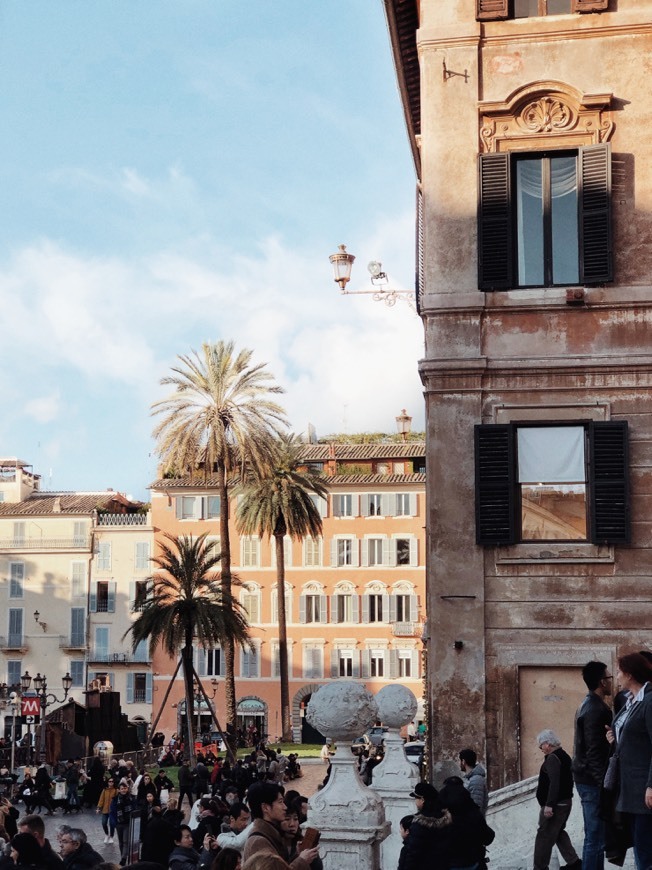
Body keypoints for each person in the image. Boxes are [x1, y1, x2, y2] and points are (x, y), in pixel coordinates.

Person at [606, 651, 652, 870]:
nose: (617, 675)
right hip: (630, 790)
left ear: (631, 675)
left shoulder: (649, 701)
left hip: (644, 790)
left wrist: (651, 785)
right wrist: (616, 737)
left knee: (645, 853)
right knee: (640, 849)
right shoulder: (631, 701)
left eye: (619, 671)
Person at [572, 659, 613, 870]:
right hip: (591, 780)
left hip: (585, 777)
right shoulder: (595, 708)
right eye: (609, 677)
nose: (612, 682)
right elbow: (594, 752)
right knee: (595, 837)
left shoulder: (586, 705)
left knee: (594, 836)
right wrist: (603, 785)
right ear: (602, 682)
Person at [533, 729, 581, 870]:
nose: (540, 748)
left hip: (556, 805)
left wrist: (549, 805)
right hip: (564, 802)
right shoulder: (564, 755)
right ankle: (574, 863)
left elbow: (554, 783)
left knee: (543, 837)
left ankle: (540, 867)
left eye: (541, 745)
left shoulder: (553, 758)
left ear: (548, 744)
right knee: (558, 832)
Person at [242, 783, 317, 870]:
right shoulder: (258, 842)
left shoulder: (272, 834)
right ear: (266, 808)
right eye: (280, 802)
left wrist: (297, 855)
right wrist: (302, 861)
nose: (284, 807)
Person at [440, 777, 495, 870]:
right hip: (473, 863)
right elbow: (488, 837)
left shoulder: (440, 816)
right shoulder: (474, 813)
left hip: (449, 864)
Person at [399, 782, 452, 870]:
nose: (415, 801)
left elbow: (413, 854)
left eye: (416, 798)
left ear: (422, 800)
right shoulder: (445, 819)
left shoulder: (419, 825)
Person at [113, 780, 137, 866]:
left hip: (128, 823)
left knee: (125, 841)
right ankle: (123, 856)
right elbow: (112, 812)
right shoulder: (115, 799)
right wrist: (115, 823)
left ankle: (123, 858)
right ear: (119, 790)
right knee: (120, 842)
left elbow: (135, 809)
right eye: (122, 788)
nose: (124, 790)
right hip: (119, 823)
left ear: (127, 789)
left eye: (125, 788)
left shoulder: (131, 798)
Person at [458, 749, 488, 816]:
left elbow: (476, 806)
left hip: (473, 823)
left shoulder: (476, 780)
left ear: (463, 761)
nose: (458, 763)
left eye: (459, 760)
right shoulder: (471, 779)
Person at [96, 778, 117, 844]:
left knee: (112, 824)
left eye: (112, 781)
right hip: (105, 809)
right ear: (107, 782)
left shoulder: (116, 790)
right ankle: (106, 834)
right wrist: (98, 808)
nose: (111, 783)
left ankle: (111, 836)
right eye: (109, 781)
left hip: (112, 810)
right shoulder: (105, 790)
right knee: (104, 823)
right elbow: (101, 799)